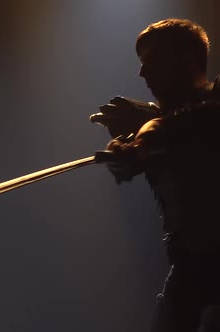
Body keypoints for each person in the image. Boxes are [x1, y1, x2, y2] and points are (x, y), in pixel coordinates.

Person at [90, 18, 220, 332]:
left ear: (187, 59)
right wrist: (127, 151)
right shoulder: (159, 123)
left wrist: (147, 135)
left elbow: (189, 121)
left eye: (152, 61)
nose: (142, 73)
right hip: (189, 270)